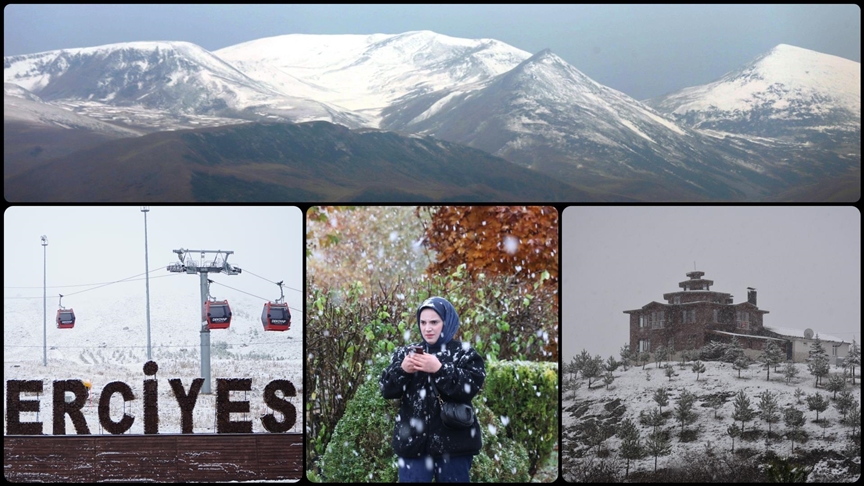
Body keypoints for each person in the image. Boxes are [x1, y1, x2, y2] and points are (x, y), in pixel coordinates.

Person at [380, 296, 485, 482]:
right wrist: (402, 370)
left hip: (454, 446)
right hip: (413, 445)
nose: (427, 328)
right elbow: (386, 390)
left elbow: (470, 388)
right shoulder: (408, 352)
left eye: (434, 322)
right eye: (423, 322)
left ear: (447, 322)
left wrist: (439, 369)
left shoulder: (464, 353)